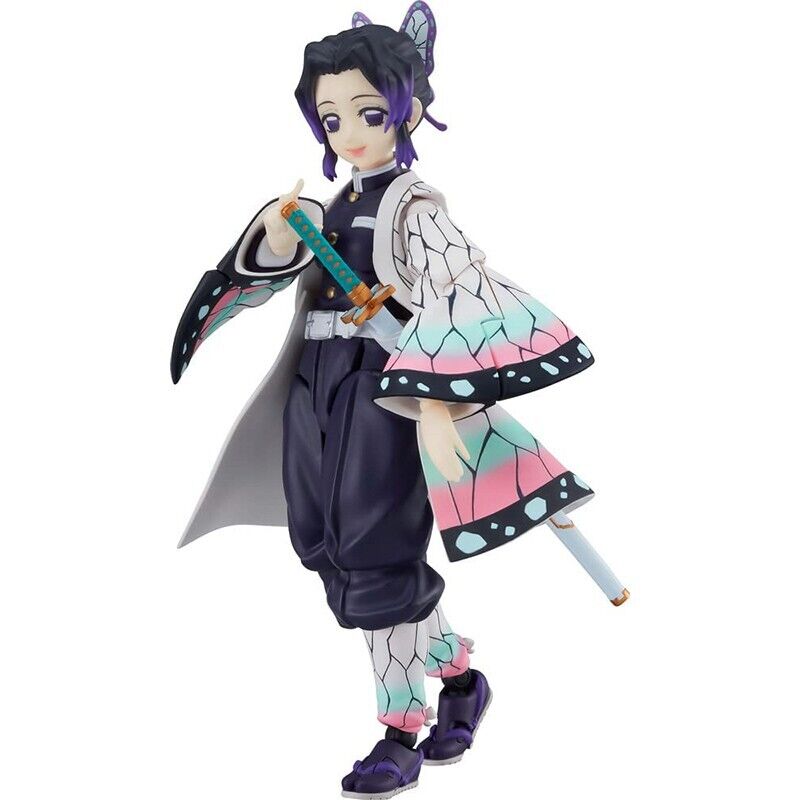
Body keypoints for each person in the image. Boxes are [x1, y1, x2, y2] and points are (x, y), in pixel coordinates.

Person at [171, 6, 612, 798]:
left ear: (407, 108)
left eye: (368, 114)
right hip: (317, 380)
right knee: (324, 547)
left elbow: (460, 295)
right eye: (332, 118)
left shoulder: (417, 208)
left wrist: (437, 404)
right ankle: (460, 677)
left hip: (387, 389)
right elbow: (274, 273)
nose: (349, 133)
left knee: (374, 558)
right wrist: (280, 236)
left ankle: (399, 728)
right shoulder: (333, 203)